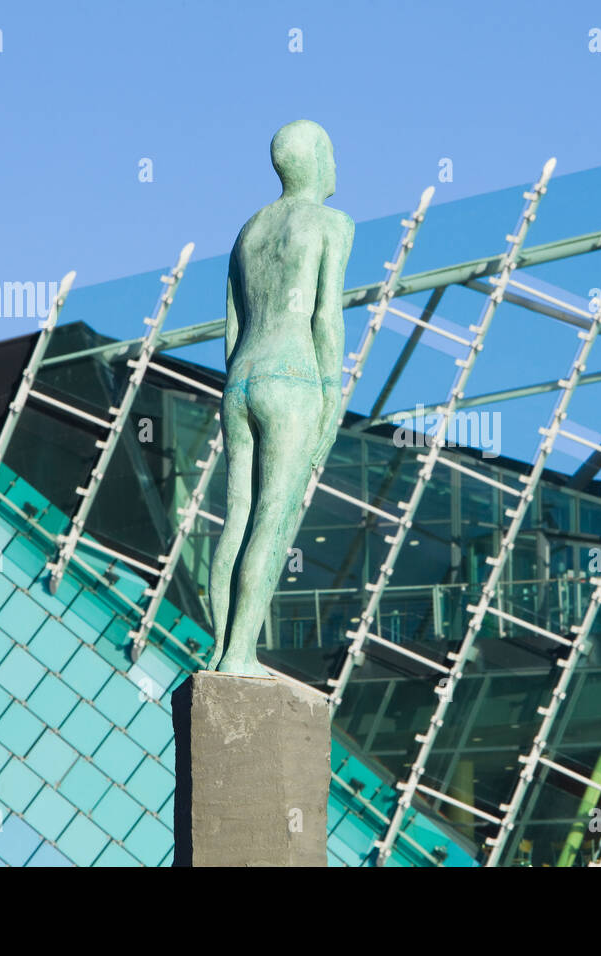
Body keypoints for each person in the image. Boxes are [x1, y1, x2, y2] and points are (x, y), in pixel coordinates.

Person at [208, 119, 354, 676]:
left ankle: (223, 647)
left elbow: (230, 325)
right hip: (292, 376)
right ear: (316, 158)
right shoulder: (329, 224)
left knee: (237, 517)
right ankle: (241, 656)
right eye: (332, 151)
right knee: (273, 516)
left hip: (241, 376)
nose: (337, 163)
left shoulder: (250, 230)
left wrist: (239, 384)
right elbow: (325, 317)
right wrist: (329, 399)